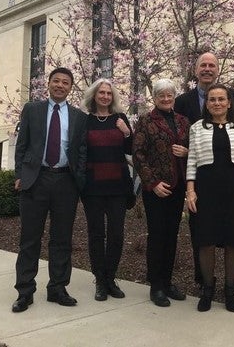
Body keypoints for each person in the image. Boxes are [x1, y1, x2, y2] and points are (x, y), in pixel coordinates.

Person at [12, 67, 87, 313]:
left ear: (71, 87)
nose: (60, 85)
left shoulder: (79, 116)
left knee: (62, 239)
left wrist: (80, 179)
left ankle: (57, 287)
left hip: (66, 183)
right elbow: (21, 146)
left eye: (66, 82)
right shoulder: (32, 110)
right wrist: (20, 174)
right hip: (36, 180)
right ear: (49, 84)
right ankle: (25, 291)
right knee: (30, 239)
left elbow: (82, 151)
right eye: (56, 81)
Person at [174, 51, 234, 300]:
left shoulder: (233, 95)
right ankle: (204, 281)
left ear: (217, 70)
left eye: (211, 65)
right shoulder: (183, 101)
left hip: (231, 176)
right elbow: (178, 131)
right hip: (201, 174)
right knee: (202, 232)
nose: (207, 69)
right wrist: (186, 150)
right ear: (196, 71)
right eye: (203, 65)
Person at [186, 84, 234, 312]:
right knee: (205, 240)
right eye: (212, 99)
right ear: (206, 104)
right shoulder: (197, 128)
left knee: (233, 240)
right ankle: (207, 288)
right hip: (206, 188)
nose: (216, 103)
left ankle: (229, 289)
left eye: (221, 99)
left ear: (229, 102)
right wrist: (190, 190)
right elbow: (192, 161)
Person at [132, 78, 190, 307]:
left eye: (169, 95)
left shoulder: (183, 121)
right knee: (157, 236)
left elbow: (192, 148)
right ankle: (156, 285)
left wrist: (186, 152)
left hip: (177, 187)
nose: (166, 99)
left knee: (171, 235)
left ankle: (167, 281)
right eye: (161, 96)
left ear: (174, 97)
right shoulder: (146, 121)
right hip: (155, 189)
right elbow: (138, 154)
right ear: (154, 98)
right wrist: (153, 183)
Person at [80, 78, 134, 301]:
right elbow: (80, 151)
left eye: (108, 94)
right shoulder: (84, 121)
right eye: (101, 93)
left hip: (118, 187)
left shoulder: (120, 119)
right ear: (94, 96)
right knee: (96, 234)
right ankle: (99, 280)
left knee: (116, 234)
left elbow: (132, 150)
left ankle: (111, 277)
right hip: (92, 188)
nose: (105, 96)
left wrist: (127, 133)